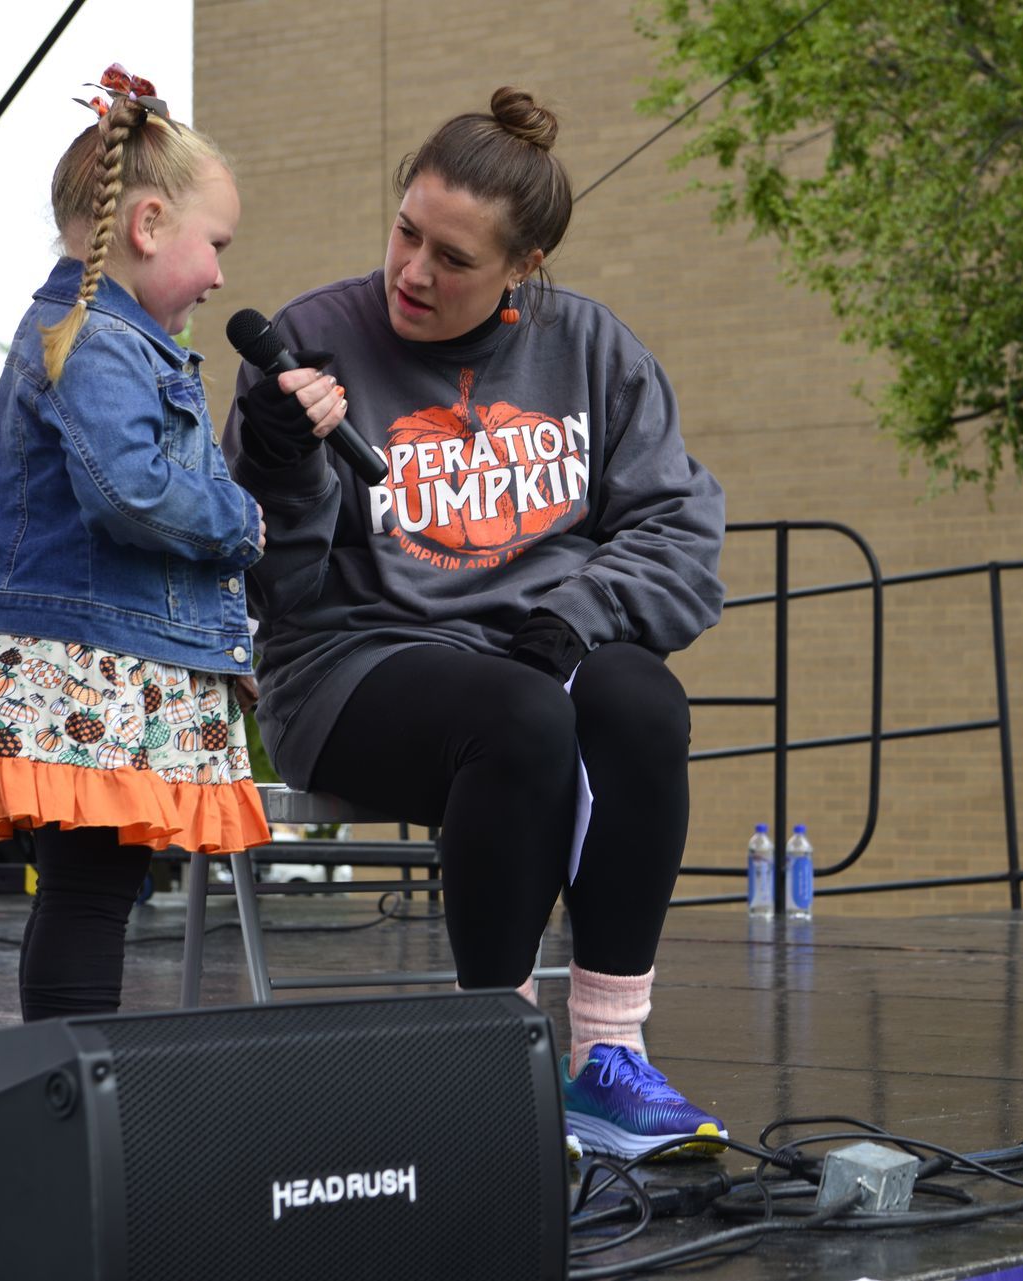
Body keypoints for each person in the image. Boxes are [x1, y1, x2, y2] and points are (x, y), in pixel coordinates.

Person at [223, 88, 728, 1161]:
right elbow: (284, 588)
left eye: (453, 259)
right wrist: (278, 459)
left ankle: (607, 1060)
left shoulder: (591, 348)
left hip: (536, 654)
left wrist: (576, 617)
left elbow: (683, 541)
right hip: (357, 660)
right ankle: (489, 1060)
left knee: (642, 702)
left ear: (524, 266)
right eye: (407, 232)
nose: (413, 271)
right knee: (521, 720)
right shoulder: (315, 337)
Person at [0, 65, 270, 1021]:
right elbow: (133, 494)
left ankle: (76, 1089)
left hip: (111, 651)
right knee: (90, 891)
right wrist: (243, 522)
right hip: (88, 657)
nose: (220, 274)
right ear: (147, 226)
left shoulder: (112, 336)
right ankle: (72, 1092)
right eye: (213, 245)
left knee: (96, 891)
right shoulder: (92, 337)